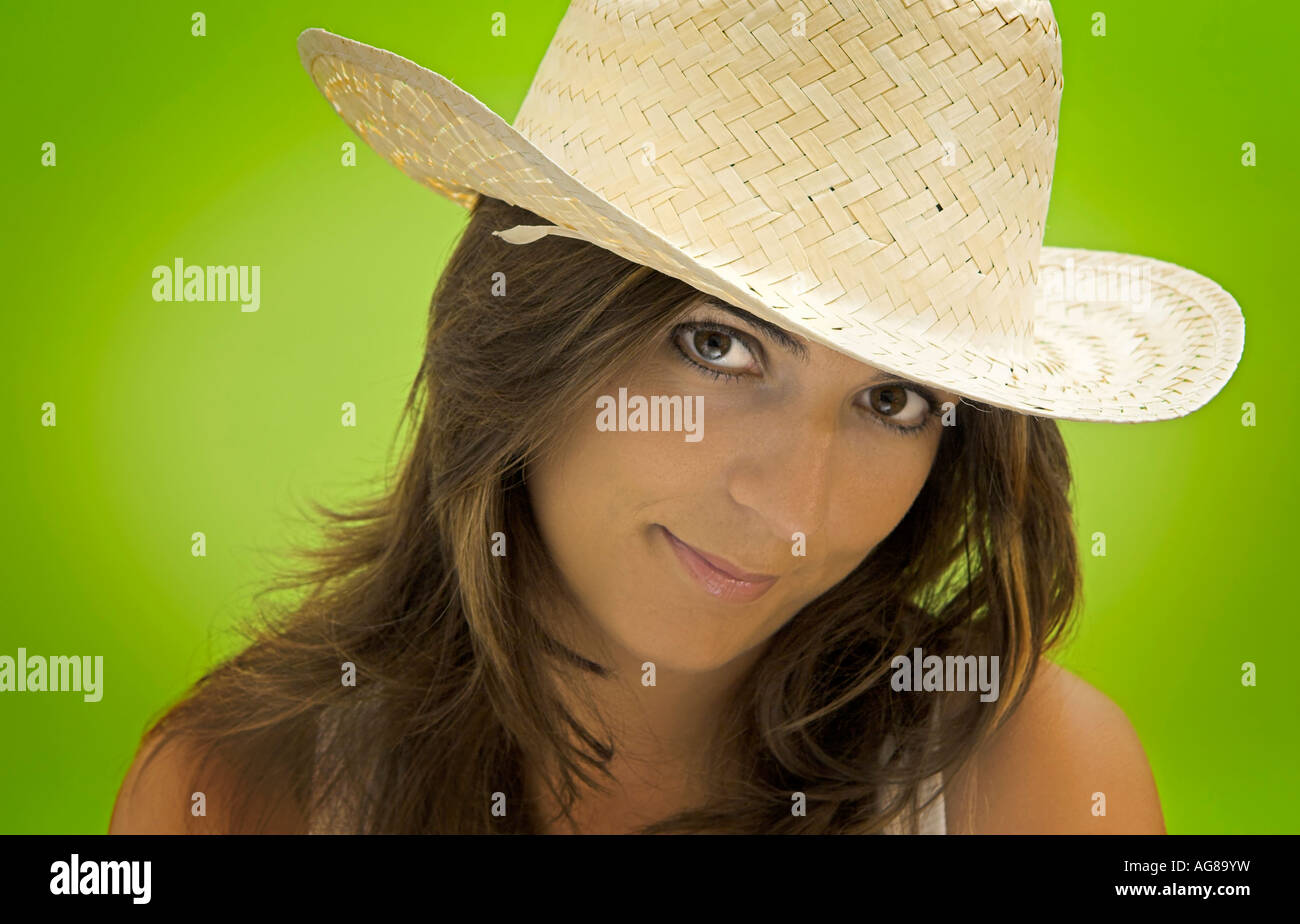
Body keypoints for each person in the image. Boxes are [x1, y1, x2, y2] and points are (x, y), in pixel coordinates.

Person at [110, 1, 1242, 835]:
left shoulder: (1032, 782)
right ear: (531, 328)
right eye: (719, 346)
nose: (792, 509)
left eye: (892, 400)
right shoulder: (237, 790)